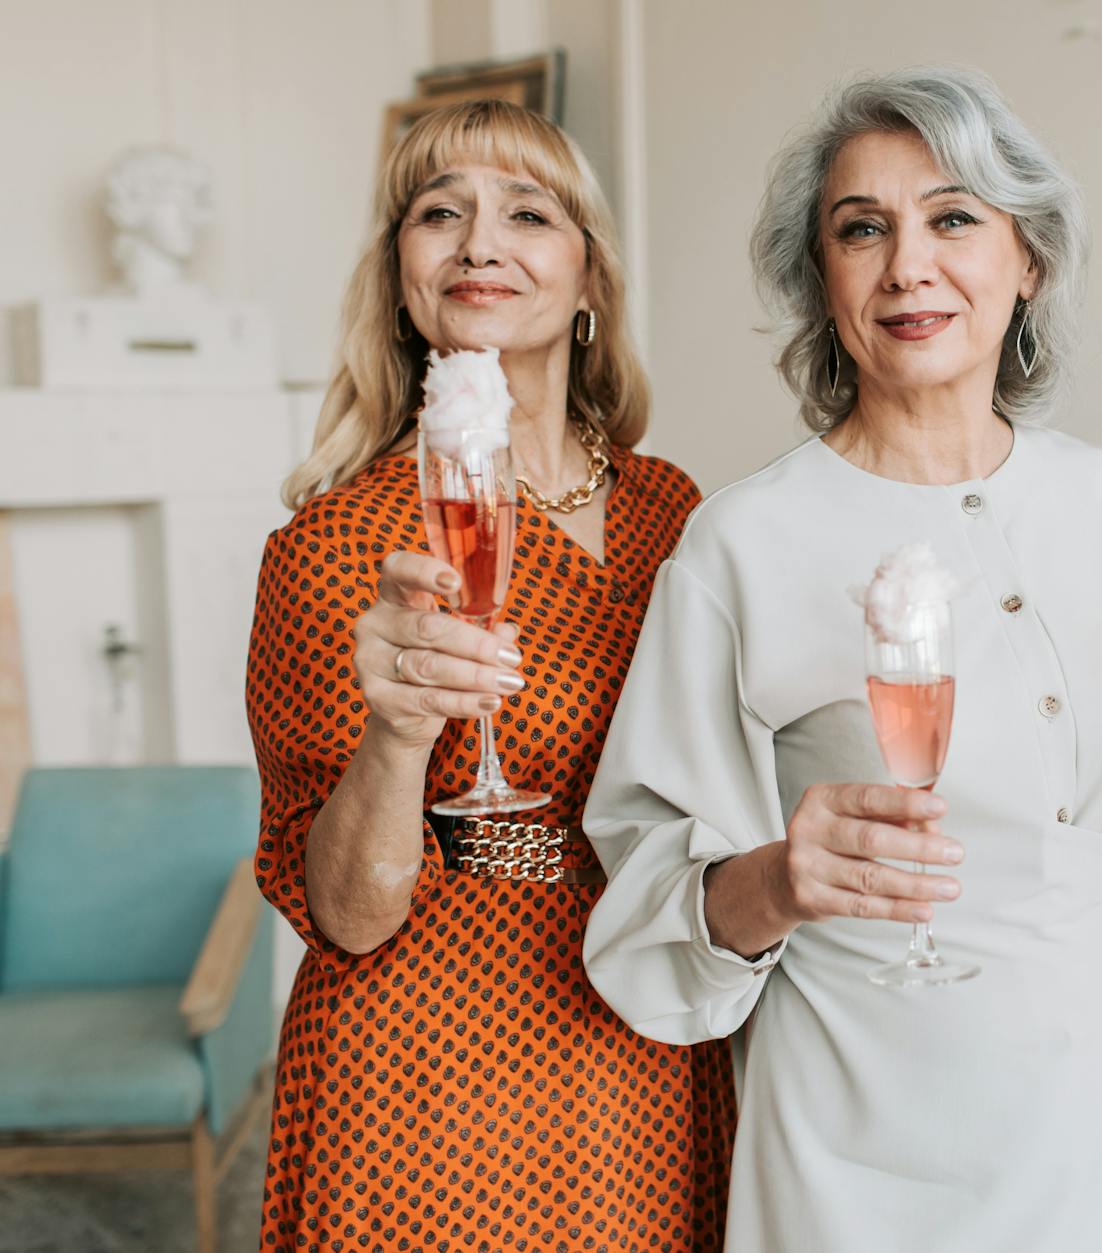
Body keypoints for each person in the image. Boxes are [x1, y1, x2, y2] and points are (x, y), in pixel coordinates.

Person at [582, 67, 1102, 1253]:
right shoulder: (740, 541)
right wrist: (782, 880)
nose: (908, 265)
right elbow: (645, 899)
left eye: (953, 218)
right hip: (862, 1134)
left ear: (1027, 261)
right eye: (862, 230)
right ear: (822, 282)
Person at [247, 99, 732, 1252]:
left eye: (528, 210)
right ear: (401, 277)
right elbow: (348, 916)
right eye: (436, 213)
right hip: (426, 1067)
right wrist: (399, 734)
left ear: (590, 280)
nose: (478, 241)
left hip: (644, 1040)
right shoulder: (334, 547)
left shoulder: (681, 513)